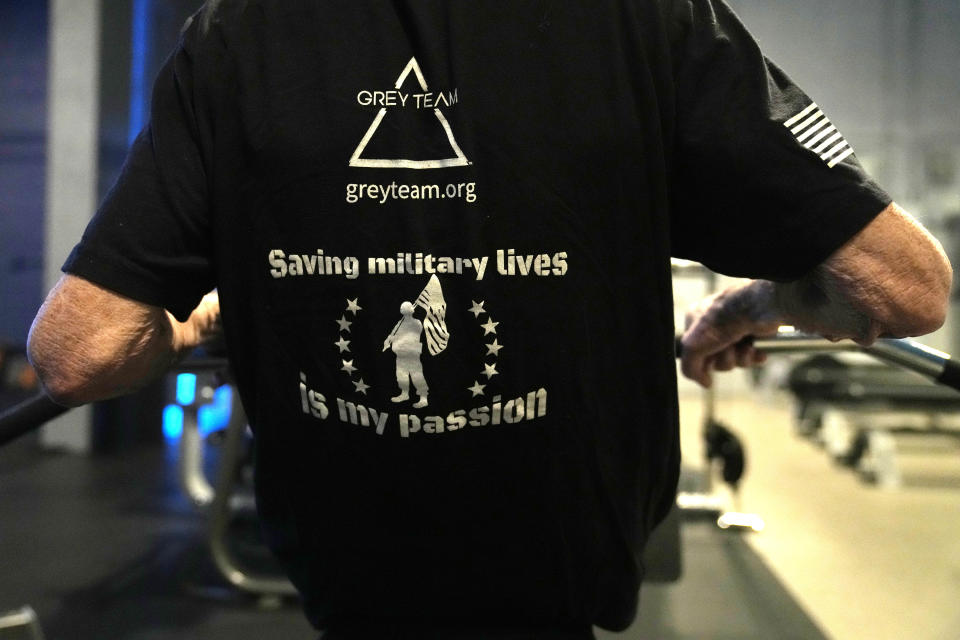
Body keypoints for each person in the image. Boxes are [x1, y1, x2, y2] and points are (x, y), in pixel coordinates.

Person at [26, 0, 951, 638]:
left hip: (347, 585)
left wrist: (190, 331)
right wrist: (754, 303)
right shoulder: (651, 19)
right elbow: (902, 290)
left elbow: (79, 353)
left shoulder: (235, 35)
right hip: (559, 584)